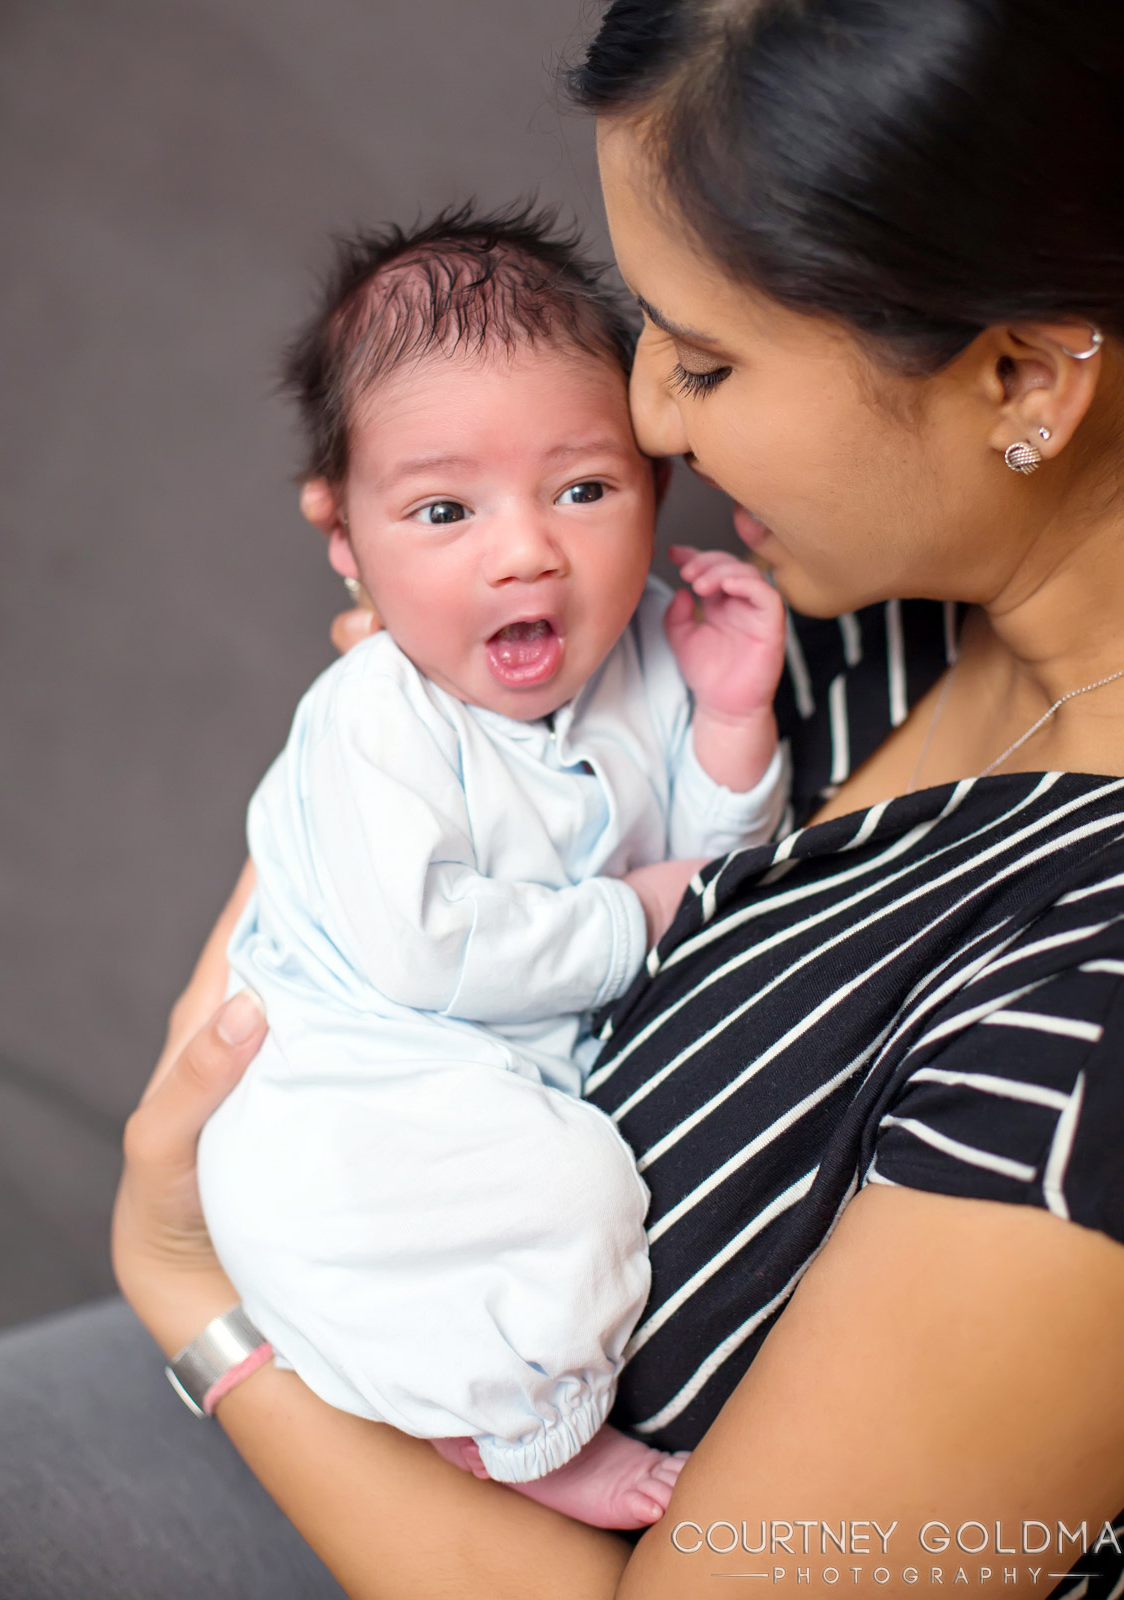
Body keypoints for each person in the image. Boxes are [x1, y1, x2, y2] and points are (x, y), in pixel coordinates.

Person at [0, 0, 1124, 1595]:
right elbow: (346, 906)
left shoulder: (1118, 1006)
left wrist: (190, 1292)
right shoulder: (855, 591)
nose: (646, 420)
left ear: (1016, 376)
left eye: (708, 358)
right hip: (344, 1298)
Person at [197, 207, 788, 1529]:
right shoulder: (370, 719)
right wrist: (627, 915)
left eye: (582, 490)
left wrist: (735, 720)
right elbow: (428, 949)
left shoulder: (646, 655)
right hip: (348, 1093)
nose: (524, 550)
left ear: (653, 485)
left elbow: (715, 883)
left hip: (497, 1085)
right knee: (566, 1194)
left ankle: (483, 1411)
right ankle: (515, 1434)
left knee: (573, 1193)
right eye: (443, 509)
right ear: (342, 537)